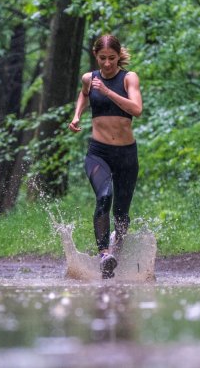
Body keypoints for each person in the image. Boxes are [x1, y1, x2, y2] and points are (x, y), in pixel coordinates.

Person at [68, 34, 142, 279]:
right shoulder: (90, 78)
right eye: (102, 58)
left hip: (126, 155)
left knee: (121, 213)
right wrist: (77, 115)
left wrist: (109, 93)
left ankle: (115, 252)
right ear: (95, 56)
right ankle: (104, 255)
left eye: (112, 58)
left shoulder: (129, 78)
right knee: (104, 196)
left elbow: (137, 110)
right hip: (98, 152)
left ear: (119, 56)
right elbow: (84, 93)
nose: (107, 64)